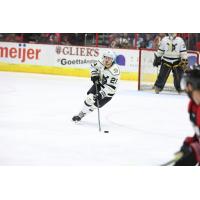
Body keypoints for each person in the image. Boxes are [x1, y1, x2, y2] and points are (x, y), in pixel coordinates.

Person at [72, 50, 120, 122]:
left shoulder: (114, 72)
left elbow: (111, 88)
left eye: (109, 58)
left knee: (94, 106)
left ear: (112, 60)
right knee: (89, 99)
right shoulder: (101, 62)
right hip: (99, 84)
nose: (106, 60)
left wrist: (101, 94)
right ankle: (80, 114)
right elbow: (93, 67)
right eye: (105, 57)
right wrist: (94, 75)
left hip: (108, 93)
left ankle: (84, 113)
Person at [174, 68, 200, 166]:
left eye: (188, 85)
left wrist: (194, 149)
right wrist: (190, 145)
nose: (186, 89)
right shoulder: (194, 106)